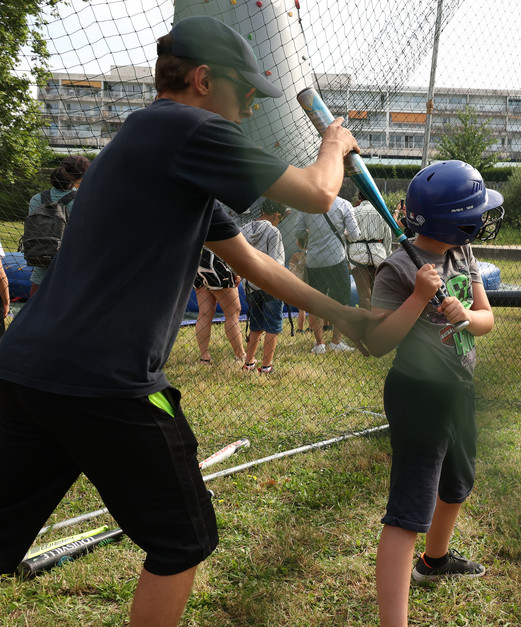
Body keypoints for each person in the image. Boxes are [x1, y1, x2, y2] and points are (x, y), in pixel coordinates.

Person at [0, 16, 379, 626]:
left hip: (27, 372)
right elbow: (316, 191)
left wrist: (344, 316)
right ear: (204, 80)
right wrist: (333, 146)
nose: (255, 103)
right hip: (109, 386)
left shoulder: (149, 145)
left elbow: (252, 261)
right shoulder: (187, 127)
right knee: (184, 539)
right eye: (248, 89)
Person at [367, 160, 503, 627]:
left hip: (459, 388)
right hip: (418, 395)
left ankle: (435, 561)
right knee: (408, 512)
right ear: (457, 220)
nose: (483, 219)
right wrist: (417, 298)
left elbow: (486, 319)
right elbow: (377, 342)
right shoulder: (397, 269)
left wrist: (465, 314)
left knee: (458, 483)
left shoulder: (463, 254)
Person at [296, 195, 361, 353]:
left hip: (314, 260)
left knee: (316, 304)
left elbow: (298, 232)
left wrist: (313, 237)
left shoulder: (306, 204)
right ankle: (336, 342)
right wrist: (341, 234)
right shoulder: (343, 204)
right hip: (336, 259)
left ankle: (319, 344)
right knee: (342, 301)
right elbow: (354, 233)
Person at [25, 155, 90, 296]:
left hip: (40, 263)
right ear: (79, 177)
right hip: (72, 267)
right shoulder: (84, 200)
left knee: (37, 309)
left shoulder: (36, 199)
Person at [240, 199, 287, 374]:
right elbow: (277, 262)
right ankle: (266, 366)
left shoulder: (244, 229)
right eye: (280, 219)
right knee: (272, 326)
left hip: (250, 285)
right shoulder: (273, 231)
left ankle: (249, 362)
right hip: (270, 286)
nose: (279, 223)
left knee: (256, 324)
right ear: (276, 215)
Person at [193, 245, 246, 364]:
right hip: (217, 260)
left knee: (205, 313)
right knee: (233, 312)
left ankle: (204, 357)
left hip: (198, 260)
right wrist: (235, 271)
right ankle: (240, 355)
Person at [349, 191, 393, 309]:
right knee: (377, 294)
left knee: (364, 295)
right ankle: (377, 323)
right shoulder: (381, 212)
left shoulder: (353, 212)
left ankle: (366, 324)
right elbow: (388, 236)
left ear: (359, 198)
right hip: (378, 252)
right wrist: (388, 254)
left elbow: (347, 235)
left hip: (357, 253)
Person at [288, 234, 309, 333]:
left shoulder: (296, 255)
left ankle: (300, 329)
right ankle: (312, 328)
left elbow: (292, 271)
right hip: (312, 282)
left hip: (301, 284)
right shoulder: (313, 254)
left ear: (298, 243)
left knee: (301, 309)